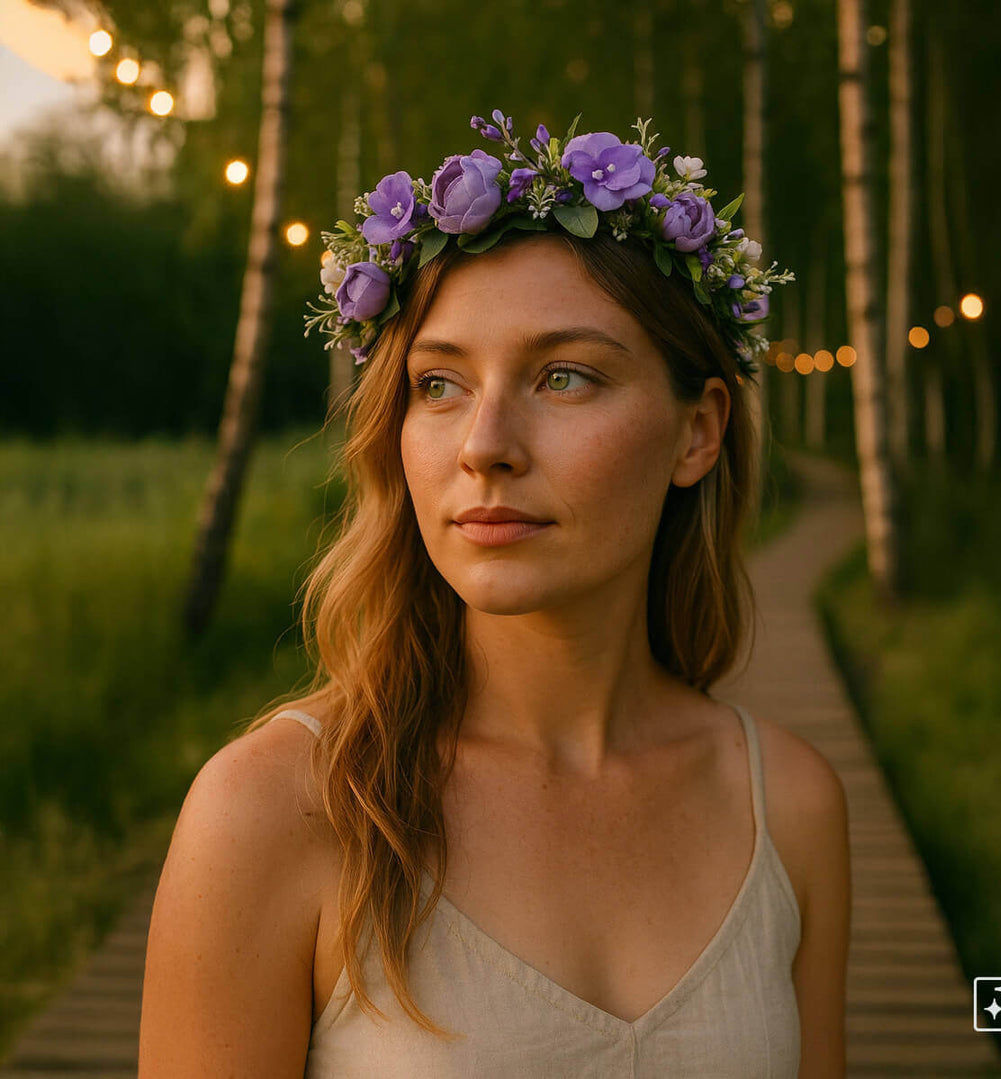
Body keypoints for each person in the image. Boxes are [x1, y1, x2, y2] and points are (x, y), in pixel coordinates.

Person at [139, 111, 849, 1077]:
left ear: (699, 431)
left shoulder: (788, 805)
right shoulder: (276, 810)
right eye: (439, 384)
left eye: (563, 376)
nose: (484, 445)